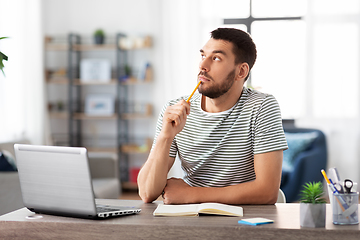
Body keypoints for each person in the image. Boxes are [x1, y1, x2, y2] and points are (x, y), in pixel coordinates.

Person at [137, 28, 288, 205]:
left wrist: (192, 195)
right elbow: (147, 193)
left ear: (241, 72)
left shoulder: (262, 107)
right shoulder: (175, 110)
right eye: (203, 56)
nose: (203, 66)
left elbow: (267, 192)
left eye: (216, 58)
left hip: (247, 217)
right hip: (193, 217)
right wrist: (165, 136)